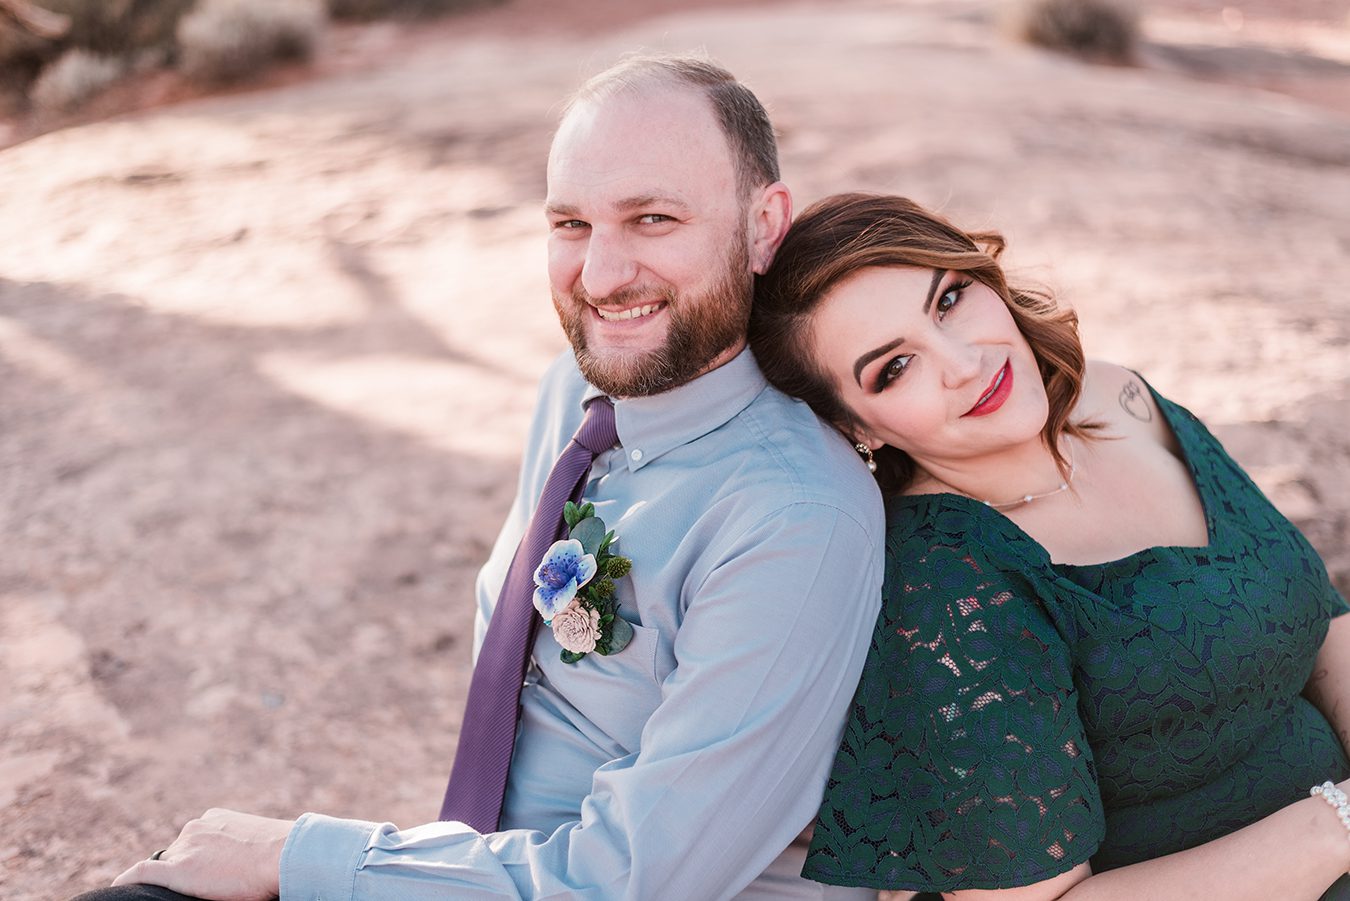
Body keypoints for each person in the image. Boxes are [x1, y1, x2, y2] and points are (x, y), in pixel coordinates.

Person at [73, 57, 885, 901]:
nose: (600, 276)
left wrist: (302, 858)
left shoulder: (796, 516)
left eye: (653, 218)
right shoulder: (570, 396)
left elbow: (629, 883)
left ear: (762, 227)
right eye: (571, 223)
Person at [747, 191, 1350, 899]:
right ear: (859, 427)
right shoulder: (946, 584)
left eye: (948, 300)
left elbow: (1326, 624)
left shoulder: (1121, 397)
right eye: (894, 368)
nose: (965, 361)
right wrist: (1335, 826)